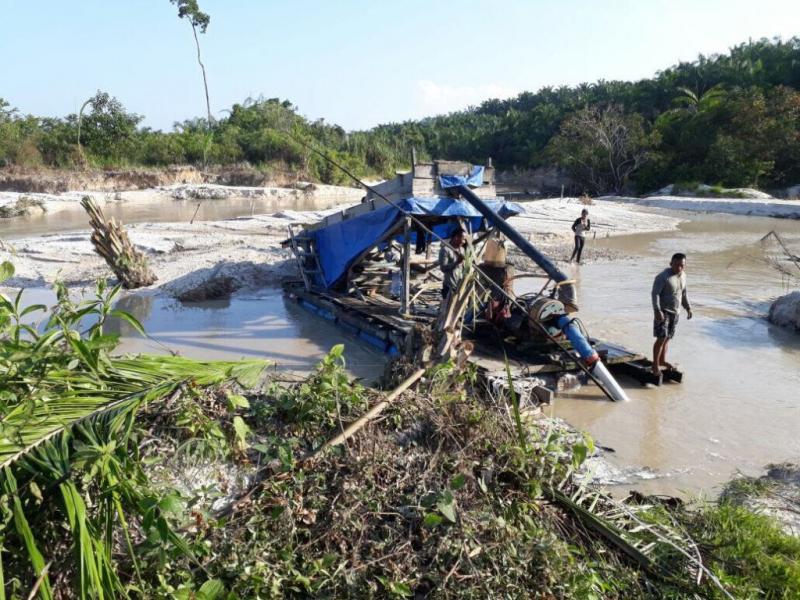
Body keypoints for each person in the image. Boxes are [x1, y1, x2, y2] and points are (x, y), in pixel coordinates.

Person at [651, 253, 693, 375]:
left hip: (675, 312)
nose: (679, 268)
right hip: (663, 311)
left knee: (668, 338)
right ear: (671, 264)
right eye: (676, 265)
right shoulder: (663, 277)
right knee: (661, 338)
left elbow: (684, 293)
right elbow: (655, 294)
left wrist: (688, 308)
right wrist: (657, 310)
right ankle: (655, 366)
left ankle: (662, 360)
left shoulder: (683, 276)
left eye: (682, 265)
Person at [438, 228, 466, 298]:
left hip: (459, 286)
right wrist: (457, 262)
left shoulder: (462, 250)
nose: (464, 242)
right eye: (463, 239)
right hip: (449, 286)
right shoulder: (445, 250)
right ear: (456, 238)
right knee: (448, 307)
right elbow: (443, 268)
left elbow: (463, 267)